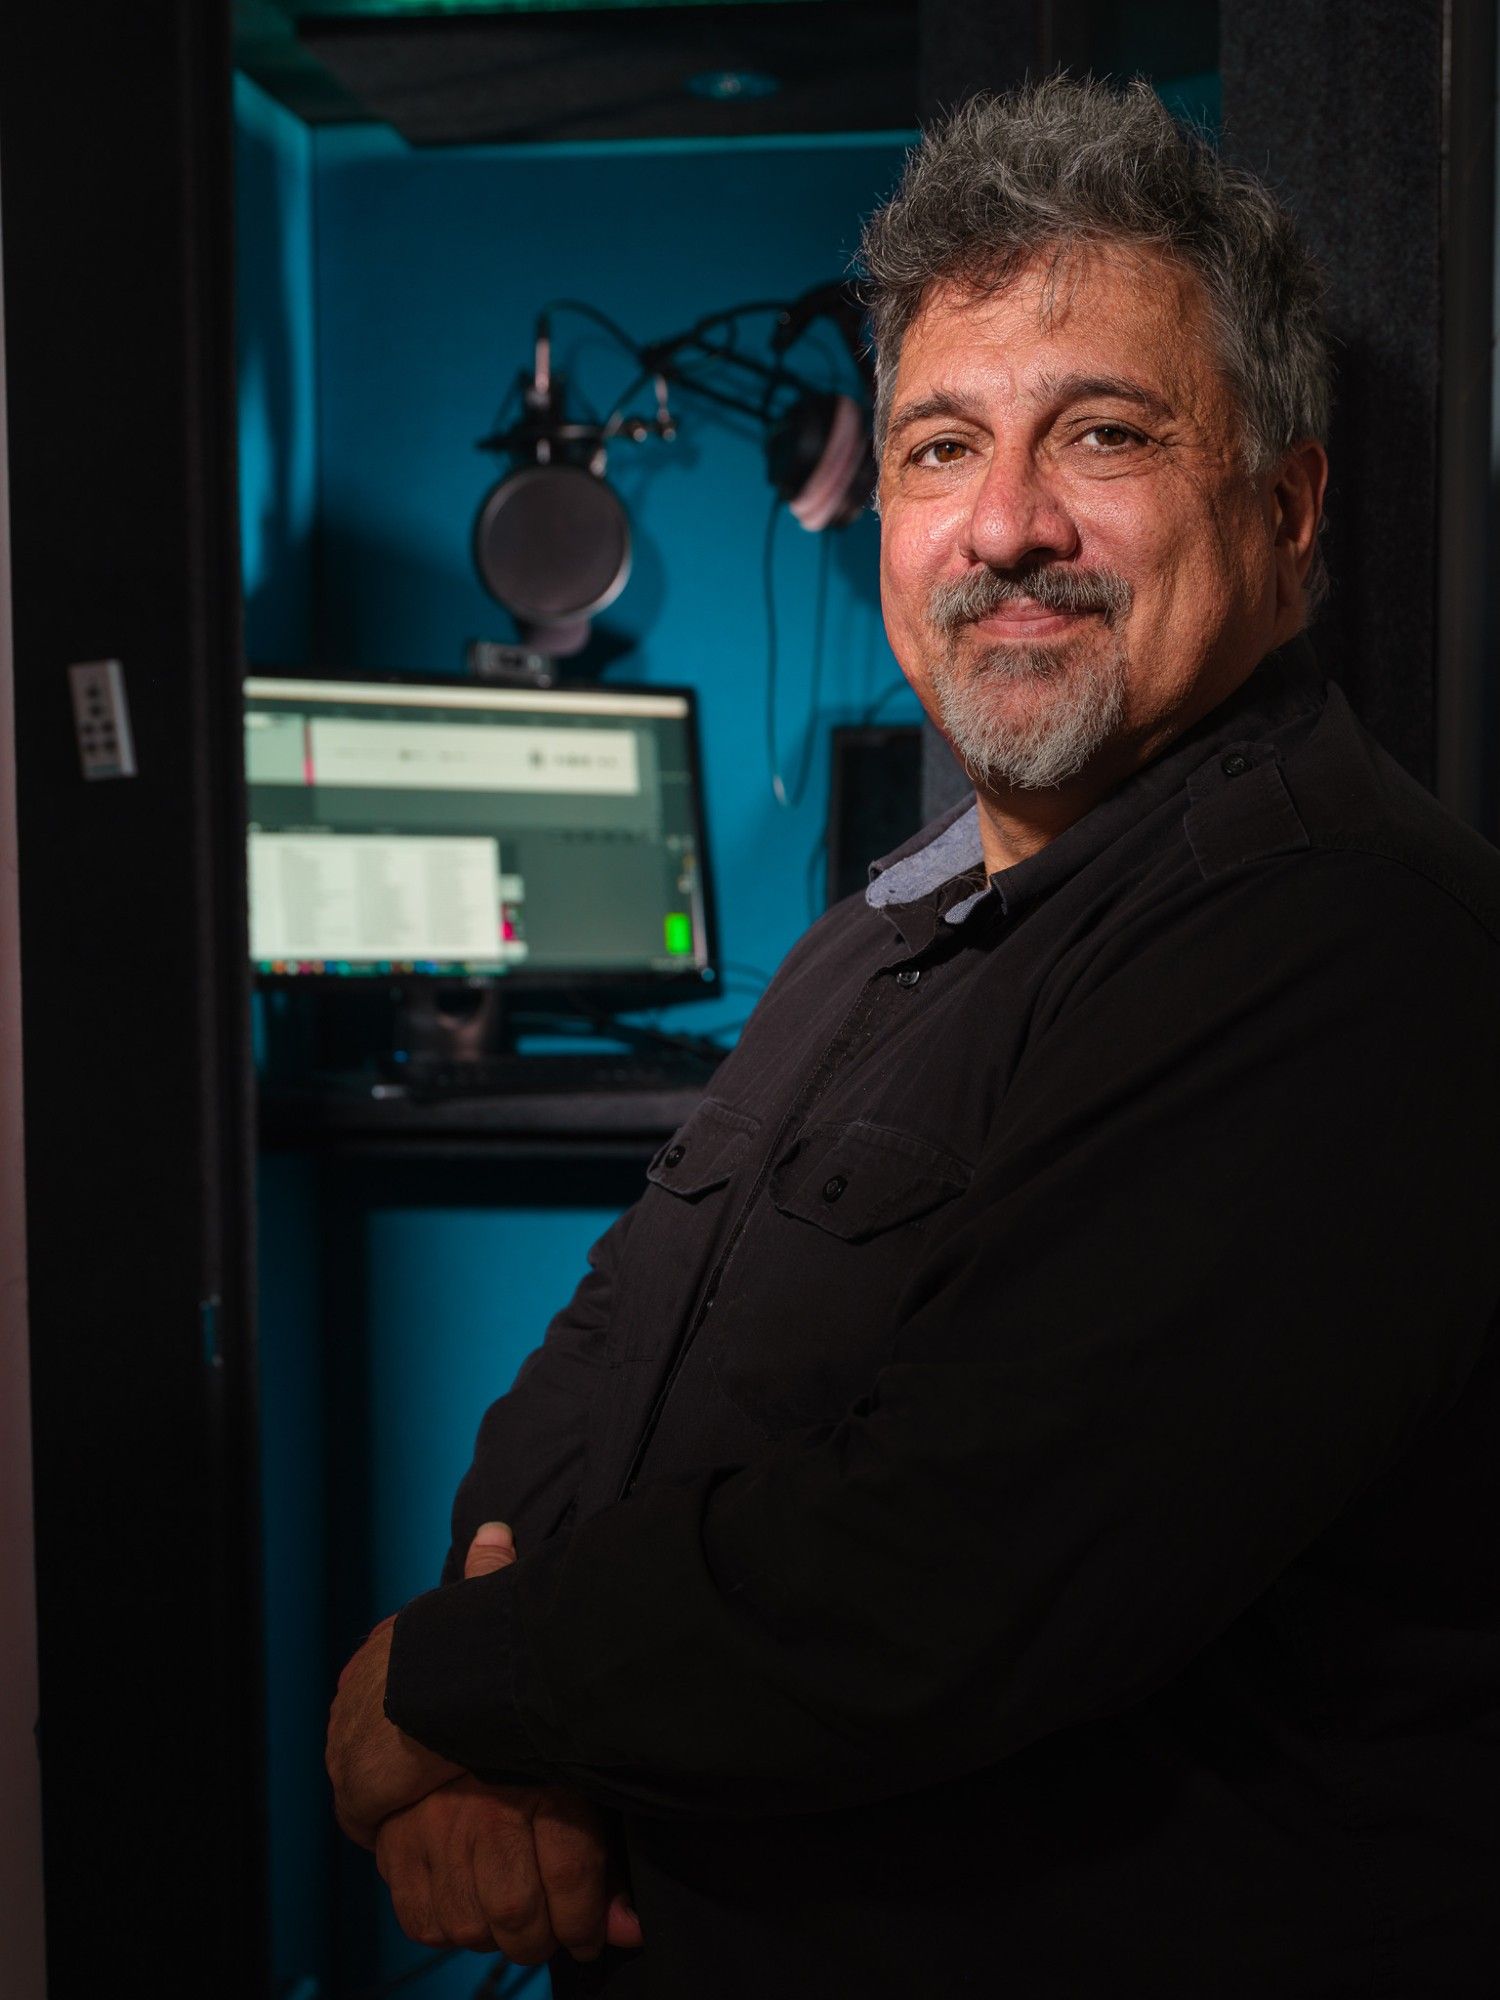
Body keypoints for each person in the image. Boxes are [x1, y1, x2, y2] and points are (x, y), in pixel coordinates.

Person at [327, 76, 1500, 1997]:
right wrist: (498, 1743)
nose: (1006, 527)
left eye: (1104, 435)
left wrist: (444, 1688)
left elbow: (940, 1572)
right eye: (944, 449)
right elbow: (608, 1346)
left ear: (1284, 508)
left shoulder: (1353, 947)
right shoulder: (882, 928)